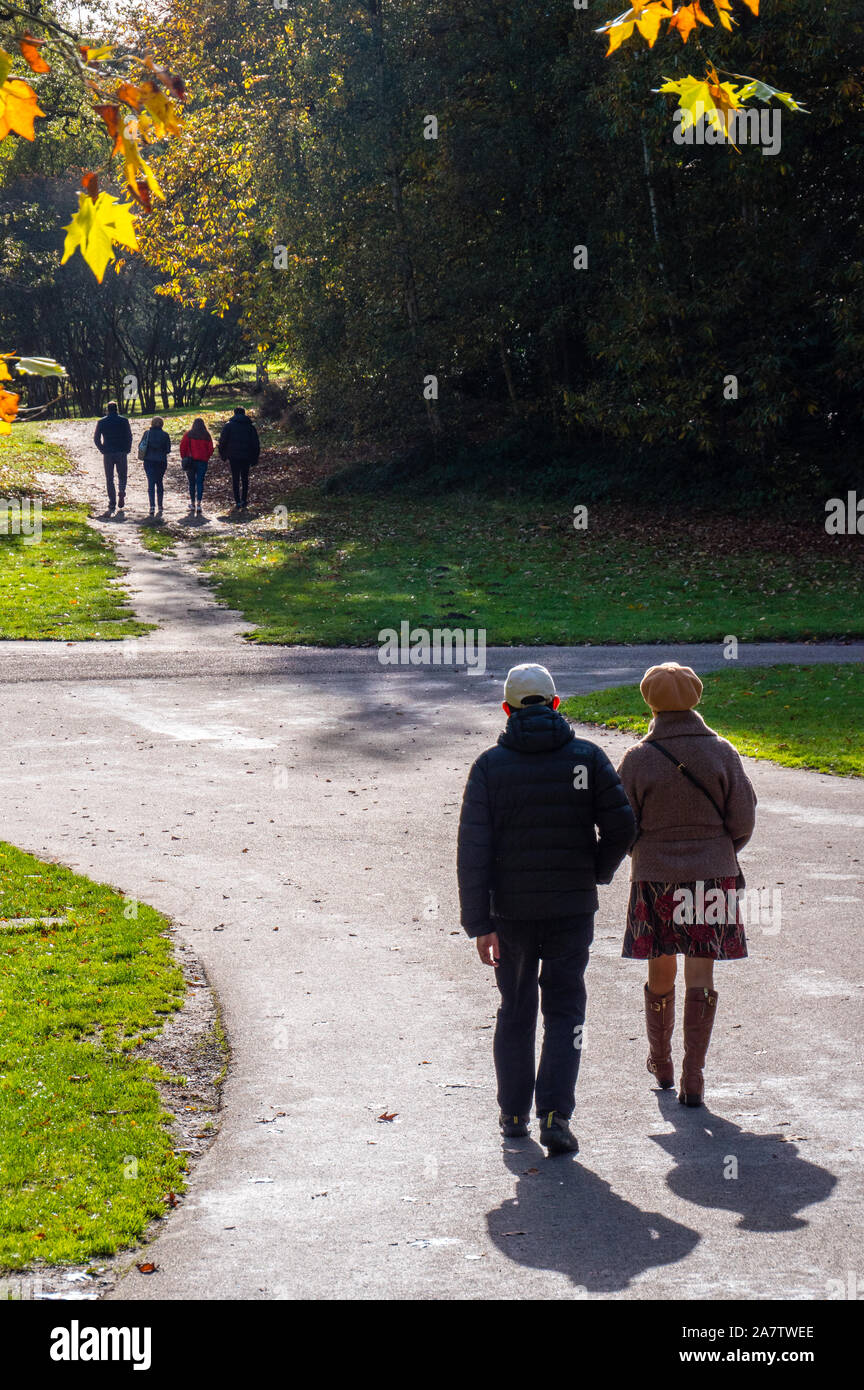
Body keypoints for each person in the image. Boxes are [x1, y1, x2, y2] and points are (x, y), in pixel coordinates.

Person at [457, 663, 636, 1155]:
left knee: (515, 1009)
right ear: (556, 704)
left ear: (507, 709)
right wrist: (595, 871)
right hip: (571, 909)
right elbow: (622, 827)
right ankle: (556, 1115)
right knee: (565, 1011)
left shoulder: (491, 766)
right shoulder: (587, 758)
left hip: (510, 914)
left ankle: (513, 1113)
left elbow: (472, 850)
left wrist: (479, 923)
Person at [616, 662, 757, 1109]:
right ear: (696, 698)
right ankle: (694, 1076)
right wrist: (718, 850)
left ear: (649, 701)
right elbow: (743, 819)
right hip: (711, 874)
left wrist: (646, 851)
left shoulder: (638, 758)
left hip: (656, 877)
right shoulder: (721, 752)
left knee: (660, 970)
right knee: (701, 971)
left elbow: (623, 825)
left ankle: (661, 1064)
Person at [218, 406, 260, 512]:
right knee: (245, 478)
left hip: (234, 456)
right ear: (244, 413)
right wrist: (255, 457)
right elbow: (256, 443)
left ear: (234, 413)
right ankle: (244, 500)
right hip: (246, 456)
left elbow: (222, 441)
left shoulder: (229, 426)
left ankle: (237, 501)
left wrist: (223, 454)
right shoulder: (250, 427)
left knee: (235, 478)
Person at [93, 401, 132, 514]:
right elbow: (129, 436)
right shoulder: (124, 421)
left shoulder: (102, 422)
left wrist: (102, 449)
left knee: (109, 478)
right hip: (121, 451)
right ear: (117, 409)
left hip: (108, 452)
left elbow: (96, 438)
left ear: (107, 410)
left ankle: (112, 502)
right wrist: (127, 448)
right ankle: (122, 491)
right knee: (122, 475)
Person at [179, 418, 214, 515]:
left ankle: (192, 503)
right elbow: (211, 449)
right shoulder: (206, 435)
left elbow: (182, 447)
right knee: (200, 482)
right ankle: (199, 503)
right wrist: (206, 457)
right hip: (202, 461)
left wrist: (184, 457)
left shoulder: (188, 434)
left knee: (191, 483)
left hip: (190, 461)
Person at [139, 417, 172, 516]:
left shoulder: (147, 433)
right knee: (159, 482)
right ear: (162, 424)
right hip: (161, 461)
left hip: (149, 460)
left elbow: (141, 445)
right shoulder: (165, 435)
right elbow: (168, 450)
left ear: (152, 423)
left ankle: (152, 506)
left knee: (151, 483)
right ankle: (160, 505)